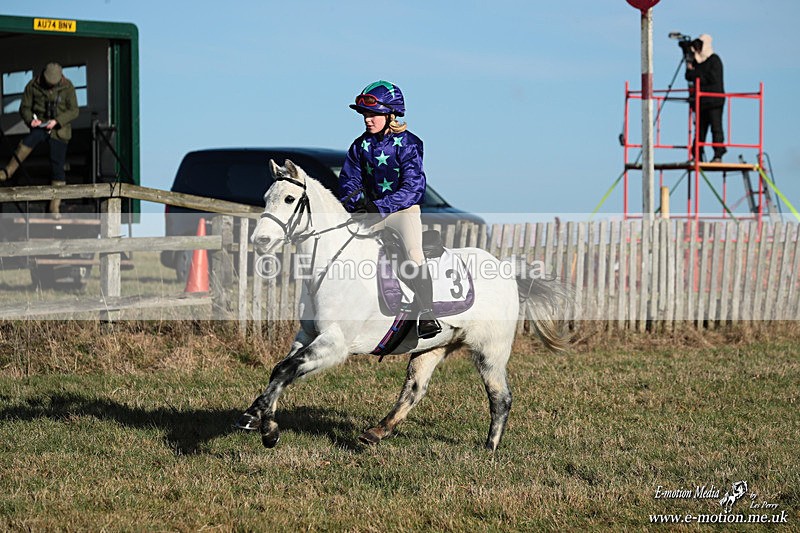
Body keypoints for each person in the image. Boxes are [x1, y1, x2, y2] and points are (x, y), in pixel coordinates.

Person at [338, 80, 442, 339]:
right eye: (364, 114)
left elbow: (413, 187)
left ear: (390, 114)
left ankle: (427, 314)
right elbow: (348, 180)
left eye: (373, 114)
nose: (367, 120)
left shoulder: (409, 143)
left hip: (403, 211)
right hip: (371, 212)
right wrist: (357, 202)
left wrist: (379, 206)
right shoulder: (359, 145)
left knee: (413, 253)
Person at [0, 62, 79, 215]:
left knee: (58, 165)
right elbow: (24, 108)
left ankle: (55, 205)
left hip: (59, 131)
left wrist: (57, 121)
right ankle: (7, 172)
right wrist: (31, 120)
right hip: (40, 126)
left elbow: (74, 110)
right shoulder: (33, 85)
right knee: (26, 143)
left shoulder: (68, 87)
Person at [685, 34, 726, 162]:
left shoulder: (714, 60)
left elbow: (711, 78)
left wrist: (696, 74)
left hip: (714, 101)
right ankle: (697, 154)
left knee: (716, 128)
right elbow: (688, 76)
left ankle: (718, 154)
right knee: (700, 130)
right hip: (701, 102)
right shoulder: (697, 62)